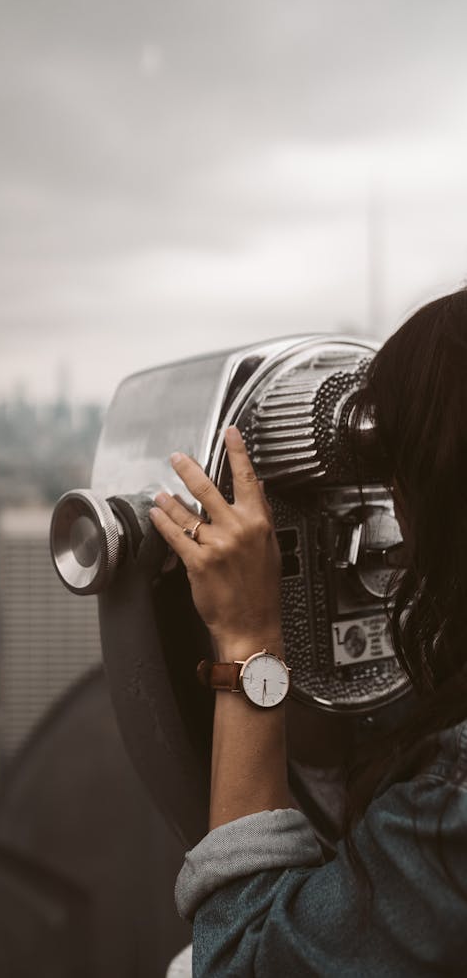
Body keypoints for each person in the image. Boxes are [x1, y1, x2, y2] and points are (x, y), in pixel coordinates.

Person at [150, 287, 467, 976]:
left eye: (399, 486)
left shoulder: (455, 798)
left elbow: (240, 961)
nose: (397, 539)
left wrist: (248, 638)